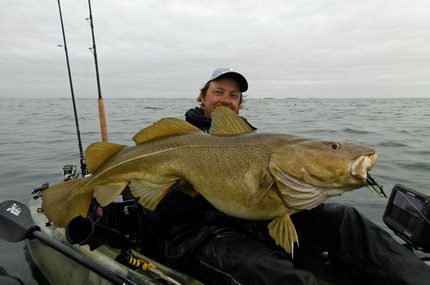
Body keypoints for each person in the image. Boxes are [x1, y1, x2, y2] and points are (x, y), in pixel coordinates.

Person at [141, 67, 430, 285]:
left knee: (346, 220)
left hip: (256, 222)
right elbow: (153, 213)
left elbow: (286, 190)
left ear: (240, 103)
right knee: (267, 271)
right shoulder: (176, 139)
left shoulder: (256, 141)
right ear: (203, 96)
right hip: (197, 235)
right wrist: (186, 193)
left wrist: (319, 186)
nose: (226, 100)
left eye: (234, 95)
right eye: (218, 92)